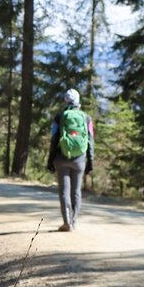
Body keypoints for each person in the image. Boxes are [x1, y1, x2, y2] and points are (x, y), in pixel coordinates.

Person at [47, 89, 94, 232]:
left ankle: (66, 222)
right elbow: (91, 140)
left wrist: (50, 159)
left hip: (61, 158)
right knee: (76, 192)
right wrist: (90, 161)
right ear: (78, 102)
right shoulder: (86, 118)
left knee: (64, 191)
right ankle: (73, 222)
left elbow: (54, 139)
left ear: (65, 101)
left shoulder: (59, 117)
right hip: (79, 160)